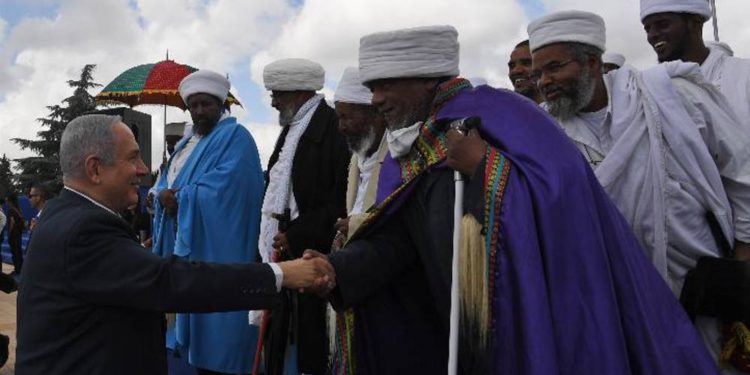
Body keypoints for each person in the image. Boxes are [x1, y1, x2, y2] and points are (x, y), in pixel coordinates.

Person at [306, 24, 717, 374]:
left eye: (384, 86)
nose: (376, 100)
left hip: (543, 304)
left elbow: (560, 194)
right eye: (373, 88)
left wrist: (483, 165)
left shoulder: (504, 115)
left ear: (427, 79)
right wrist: (340, 265)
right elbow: (402, 233)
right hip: (454, 322)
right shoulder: (416, 138)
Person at [16, 114, 334, 375]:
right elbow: (172, 282)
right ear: (95, 168)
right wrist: (281, 274)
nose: (143, 170)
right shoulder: (85, 230)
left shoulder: (63, 214)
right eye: (132, 157)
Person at [528, 9, 750, 368]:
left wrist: (743, 258)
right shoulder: (547, 134)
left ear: (592, 62)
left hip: (708, 284)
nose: (543, 82)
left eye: (554, 68)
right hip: (622, 299)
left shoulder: (671, 94)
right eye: (538, 73)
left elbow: (741, 170)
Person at [149, 70, 266, 375]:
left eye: (206, 104)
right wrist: (159, 195)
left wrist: (182, 199)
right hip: (187, 246)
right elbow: (164, 181)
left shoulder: (236, 138)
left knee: (222, 331)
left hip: (219, 247)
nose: (200, 111)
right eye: (194, 106)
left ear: (220, 103)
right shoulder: (188, 143)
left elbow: (229, 190)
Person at [257, 57, 349, 375]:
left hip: (312, 252)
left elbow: (340, 198)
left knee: (312, 345)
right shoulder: (291, 130)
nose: (272, 102)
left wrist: (295, 235)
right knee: (278, 339)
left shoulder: (333, 127)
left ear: (297, 93)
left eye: (277, 94)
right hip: (282, 246)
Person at [640, 0, 750, 124]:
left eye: (663, 24)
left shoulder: (744, 76)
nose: (652, 35)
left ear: (695, 23)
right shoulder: (651, 91)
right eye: (647, 29)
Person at [331, 67, 387, 248]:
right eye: (339, 118)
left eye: (346, 117)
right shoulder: (357, 159)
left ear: (376, 113)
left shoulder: (398, 156)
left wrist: (356, 225)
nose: (341, 127)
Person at [4, 192, 24, 275]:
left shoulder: (11, 210)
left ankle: (17, 270)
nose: (6, 203)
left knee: (15, 253)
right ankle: (20, 269)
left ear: (10, 201)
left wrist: (9, 233)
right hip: (18, 234)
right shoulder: (18, 209)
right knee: (18, 252)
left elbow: (12, 222)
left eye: (7, 201)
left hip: (13, 235)